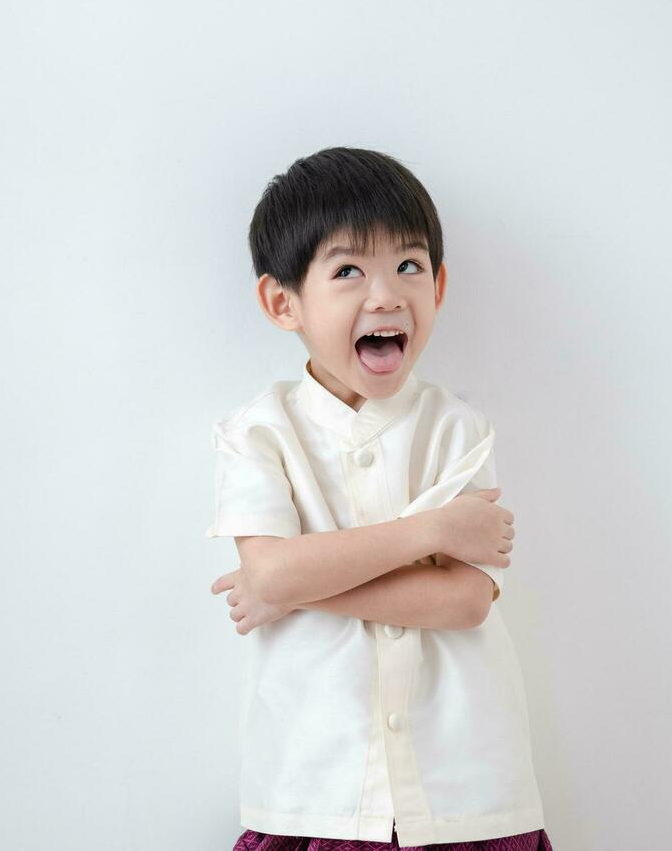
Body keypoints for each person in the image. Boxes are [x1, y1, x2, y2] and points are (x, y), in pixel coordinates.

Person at [206, 147, 554, 851]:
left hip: (465, 787)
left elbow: (463, 601)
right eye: (347, 272)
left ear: (439, 285)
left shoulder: (459, 428)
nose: (387, 294)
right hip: (317, 791)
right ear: (283, 302)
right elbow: (269, 573)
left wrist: (296, 586)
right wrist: (432, 531)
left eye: (409, 266)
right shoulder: (259, 434)